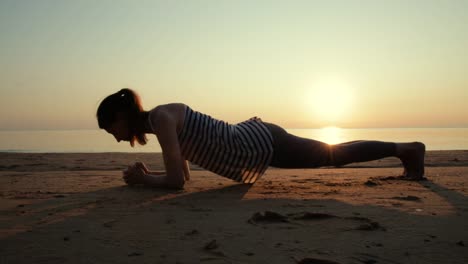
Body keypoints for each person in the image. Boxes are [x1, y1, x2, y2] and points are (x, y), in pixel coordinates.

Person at [96, 88, 426, 189]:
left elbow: (174, 184)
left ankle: (406, 150)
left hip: (259, 144)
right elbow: (182, 174)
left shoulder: (161, 119)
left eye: (112, 130)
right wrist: (147, 176)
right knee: (331, 154)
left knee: (333, 155)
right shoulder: (160, 124)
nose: (115, 138)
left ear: (121, 118)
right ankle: (403, 150)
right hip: (255, 143)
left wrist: (142, 180)